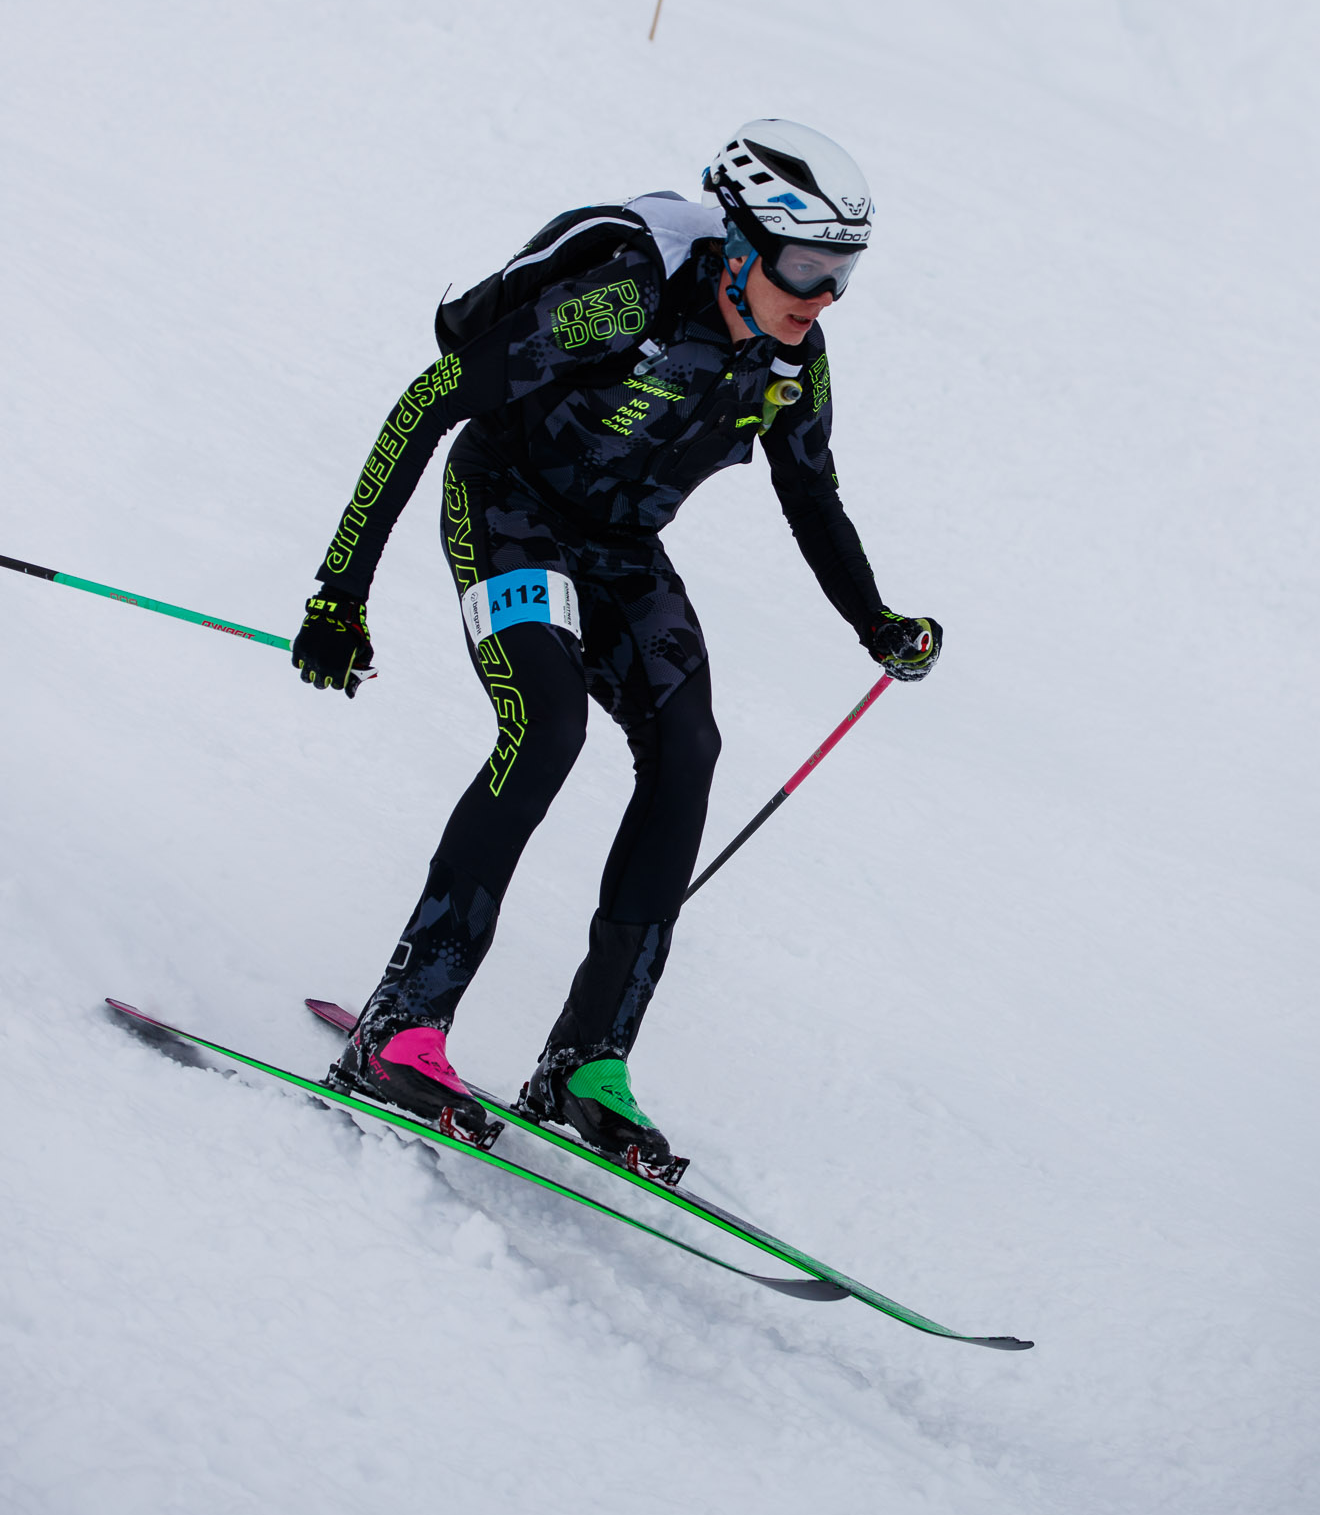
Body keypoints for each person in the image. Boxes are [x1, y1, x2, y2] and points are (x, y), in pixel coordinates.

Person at [292, 120, 941, 1182]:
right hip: (508, 506)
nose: (822, 296)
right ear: (738, 241)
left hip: (622, 548)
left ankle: (586, 1063)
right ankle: (399, 1030)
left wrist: (877, 624)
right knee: (546, 724)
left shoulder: (791, 359)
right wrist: (340, 591)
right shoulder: (627, 297)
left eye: (843, 273)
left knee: (687, 749)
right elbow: (430, 399)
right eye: (805, 265)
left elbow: (810, 492)